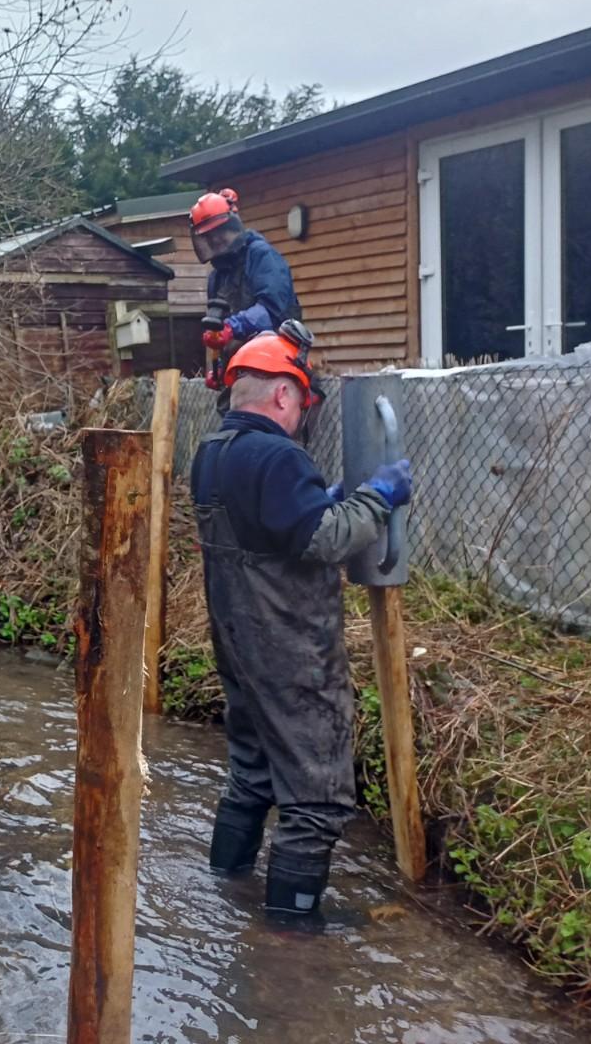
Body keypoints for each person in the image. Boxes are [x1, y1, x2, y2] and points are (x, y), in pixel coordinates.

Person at [190, 329, 413, 915]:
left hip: (237, 646)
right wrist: (378, 499)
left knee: (252, 776)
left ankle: (223, 892)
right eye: (303, 403)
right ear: (284, 394)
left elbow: (277, 525)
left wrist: (326, 499)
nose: (302, 417)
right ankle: (290, 939)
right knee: (316, 800)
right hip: (290, 654)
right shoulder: (279, 455)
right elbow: (326, 538)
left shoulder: (212, 452)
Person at [190, 189, 302, 406]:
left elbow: (273, 311)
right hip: (241, 373)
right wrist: (218, 367)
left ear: (231, 225)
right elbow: (217, 325)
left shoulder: (261, 256)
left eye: (219, 232)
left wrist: (232, 327)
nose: (215, 240)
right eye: (209, 236)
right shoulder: (217, 276)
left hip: (276, 369)